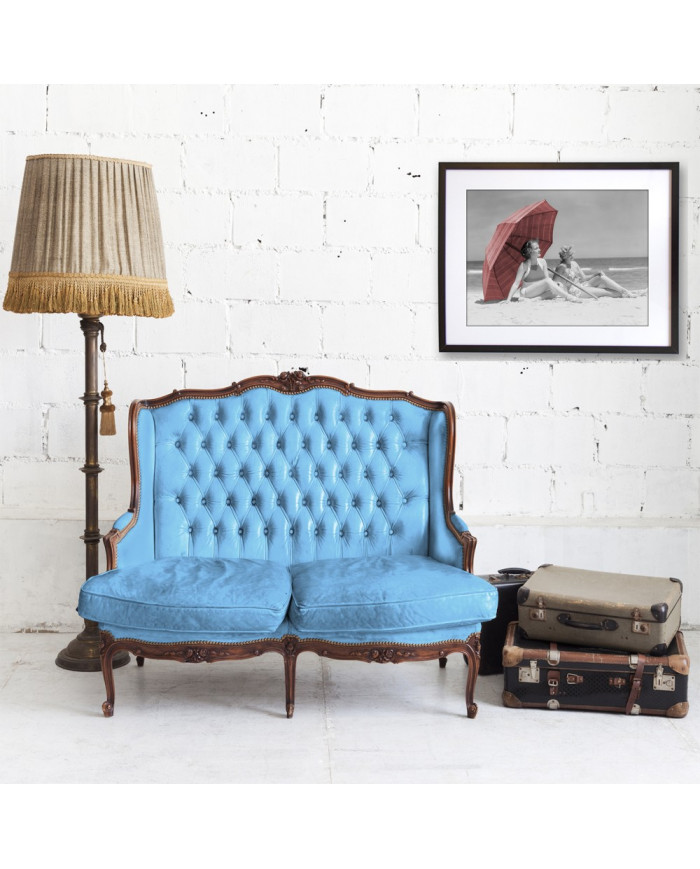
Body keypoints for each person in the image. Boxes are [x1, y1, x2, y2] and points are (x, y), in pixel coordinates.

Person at [503, 239, 582, 303]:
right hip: (527, 292)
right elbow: (516, 283)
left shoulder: (542, 262)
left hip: (539, 291)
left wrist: (555, 284)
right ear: (530, 251)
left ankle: (535, 299)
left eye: (539, 247)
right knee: (550, 284)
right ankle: (568, 297)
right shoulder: (524, 265)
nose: (539, 250)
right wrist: (508, 300)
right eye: (536, 248)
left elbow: (547, 281)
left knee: (559, 286)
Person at [553, 245, 631, 298]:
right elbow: (554, 283)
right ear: (565, 256)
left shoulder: (574, 263)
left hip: (582, 285)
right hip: (575, 291)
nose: (573, 256)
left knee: (601, 277)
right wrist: (561, 288)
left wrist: (596, 274)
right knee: (604, 292)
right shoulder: (561, 267)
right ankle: (622, 294)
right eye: (570, 255)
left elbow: (584, 278)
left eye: (572, 254)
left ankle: (624, 291)